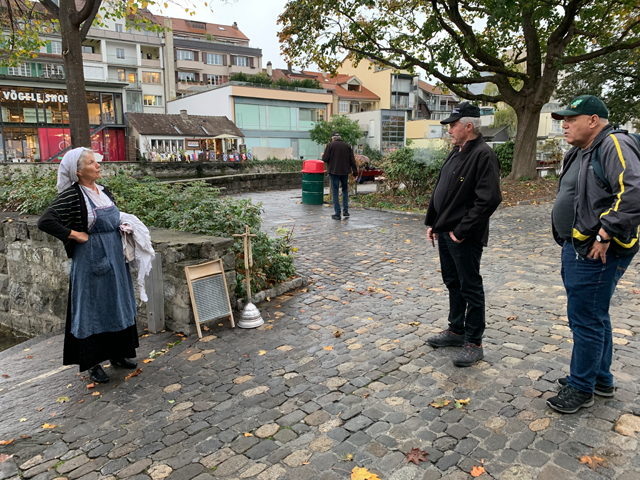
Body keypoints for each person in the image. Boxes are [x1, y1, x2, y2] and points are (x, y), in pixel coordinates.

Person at [546, 95, 640, 414]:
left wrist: (605, 233)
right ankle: (600, 378)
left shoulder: (613, 145)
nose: (565, 124)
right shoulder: (580, 150)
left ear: (593, 120)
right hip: (576, 245)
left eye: (571, 119)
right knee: (593, 314)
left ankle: (581, 386)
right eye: (563, 120)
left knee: (585, 318)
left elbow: (634, 192)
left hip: (597, 250)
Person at [38, 147, 140, 384]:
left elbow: (112, 217)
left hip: (114, 256)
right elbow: (45, 221)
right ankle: (93, 363)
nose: (98, 165)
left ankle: (118, 354)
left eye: (97, 162)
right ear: (78, 171)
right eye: (92, 162)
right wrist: (74, 234)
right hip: (91, 258)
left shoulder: (103, 191)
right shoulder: (72, 196)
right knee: (92, 308)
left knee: (116, 303)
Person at [424, 102, 502, 367]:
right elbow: (443, 190)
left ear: (469, 126)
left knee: (470, 286)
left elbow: (488, 199)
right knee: (452, 282)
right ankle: (456, 330)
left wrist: (461, 230)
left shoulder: (483, 155)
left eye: (453, 125)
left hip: (464, 235)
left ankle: (474, 342)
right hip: (446, 230)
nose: (449, 130)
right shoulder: (456, 152)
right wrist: (434, 223)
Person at [322, 131, 358, 220]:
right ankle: (346, 210)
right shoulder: (347, 146)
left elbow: (325, 159)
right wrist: (355, 172)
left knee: (335, 192)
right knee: (345, 190)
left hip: (334, 172)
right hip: (345, 172)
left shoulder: (330, 145)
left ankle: (337, 213)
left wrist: (323, 155)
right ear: (340, 138)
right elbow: (352, 160)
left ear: (332, 138)